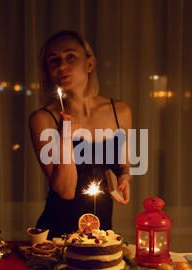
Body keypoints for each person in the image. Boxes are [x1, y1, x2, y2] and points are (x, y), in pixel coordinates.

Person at [29, 30, 132, 238]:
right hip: (58, 233)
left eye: (70, 57)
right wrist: (65, 139)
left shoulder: (120, 111)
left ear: (89, 63)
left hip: (100, 228)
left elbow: (122, 162)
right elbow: (66, 191)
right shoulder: (44, 119)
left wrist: (124, 177)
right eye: (54, 61)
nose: (62, 66)